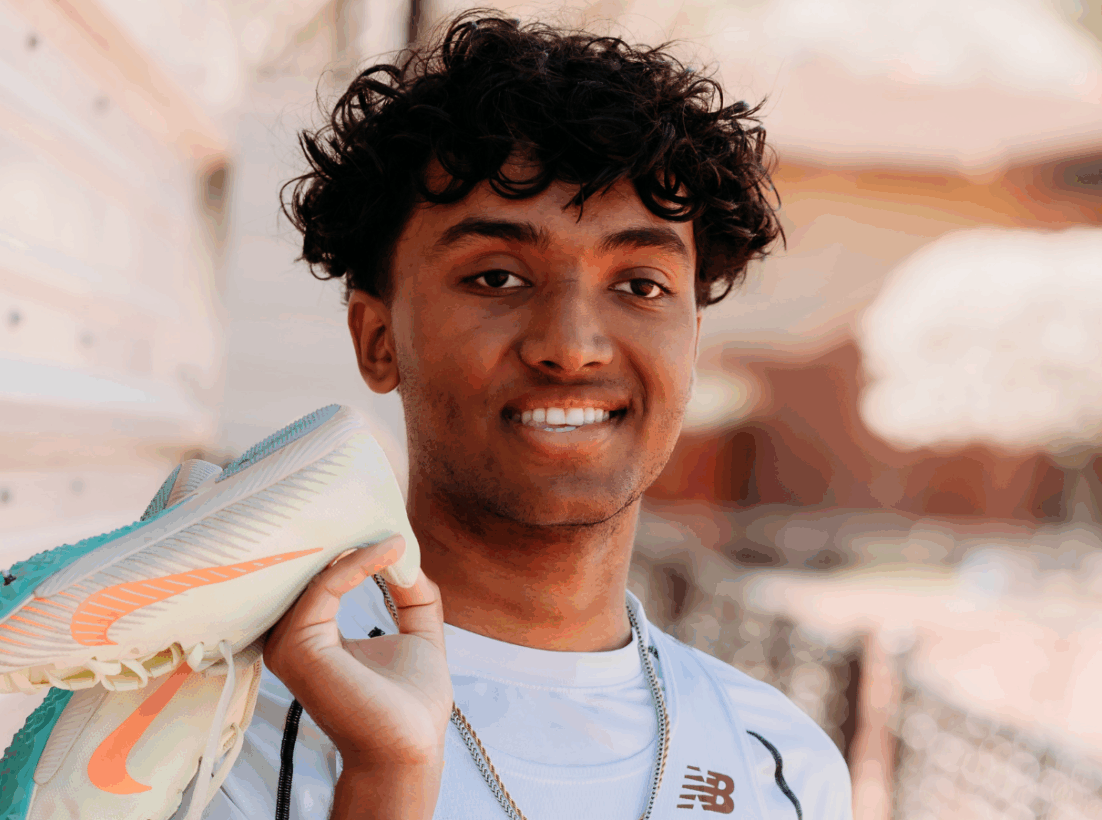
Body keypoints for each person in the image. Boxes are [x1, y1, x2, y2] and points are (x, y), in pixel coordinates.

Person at [191, 11, 852, 820]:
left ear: (691, 344)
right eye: (498, 277)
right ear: (377, 339)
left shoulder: (779, 765)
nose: (571, 347)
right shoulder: (207, 724)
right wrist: (387, 778)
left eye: (640, 285)